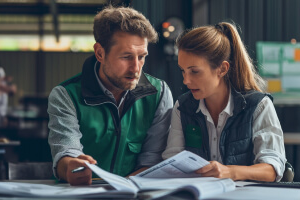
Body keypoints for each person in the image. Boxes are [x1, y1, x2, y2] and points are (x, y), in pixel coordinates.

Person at [48, 6, 173, 185]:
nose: (136, 68)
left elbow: (153, 161)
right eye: (126, 57)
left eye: (141, 56)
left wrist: (120, 188)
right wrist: (70, 167)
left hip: (135, 194)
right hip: (79, 193)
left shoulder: (159, 93)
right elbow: (65, 154)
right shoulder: (65, 95)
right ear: (100, 53)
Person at [162, 22, 286, 182]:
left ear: (222, 69)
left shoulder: (258, 105)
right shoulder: (183, 106)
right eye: (183, 71)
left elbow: (272, 170)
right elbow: (172, 162)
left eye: (194, 71)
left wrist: (229, 171)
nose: (186, 80)